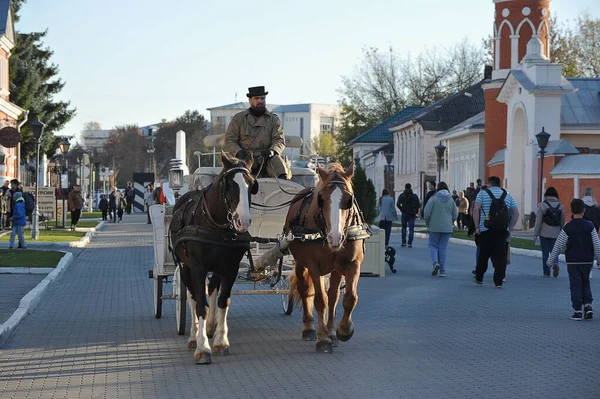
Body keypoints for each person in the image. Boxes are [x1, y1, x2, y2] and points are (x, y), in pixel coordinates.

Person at [547, 198, 600, 320]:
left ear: (571, 210)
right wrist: (599, 259)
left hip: (572, 260)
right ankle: (588, 306)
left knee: (575, 283)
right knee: (585, 281)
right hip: (587, 260)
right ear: (584, 210)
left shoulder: (568, 227)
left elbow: (559, 244)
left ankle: (577, 310)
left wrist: (550, 261)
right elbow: (597, 244)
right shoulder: (590, 225)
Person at [223, 86, 292, 179]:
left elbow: (279, 139)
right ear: (250, 100)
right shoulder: (239, 119)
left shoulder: (273, 120)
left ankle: (284, 188)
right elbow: (230, 139)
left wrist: (272, 151)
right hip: (245, 158)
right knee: (233, 176)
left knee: (279, 165)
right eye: (256, 98)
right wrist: (239, 152)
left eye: (262, 98)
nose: (260, 101)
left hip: (267, 158)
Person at [472, 176, 519, 288]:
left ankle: (479, 278)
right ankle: (498, 282)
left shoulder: (482, 194)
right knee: (500, 257)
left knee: (483, 255)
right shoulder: (507, 195)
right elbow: (516, 213)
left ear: (490, 184)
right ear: (499, 184)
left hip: (486, 230)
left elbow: (475, 210)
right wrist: (509, 228)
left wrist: (477, 227)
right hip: (502, 230)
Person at [424, 182, 458, 277]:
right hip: (447, 227)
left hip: (434, 226)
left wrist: (427, 223)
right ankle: (442, 270)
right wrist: (450, 221)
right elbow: (455, 214)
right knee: (443, 247)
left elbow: (426, 212)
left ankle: (435, 263)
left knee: (432, 245)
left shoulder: (433, 199)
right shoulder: (451, 200)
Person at [533, 187, 565, 277]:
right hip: (556, 233)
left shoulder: (542, 205)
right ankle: (555, 263)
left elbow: (538, 221)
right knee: (554, 251)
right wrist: (562, 232)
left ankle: (546, 271)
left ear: (546, 195)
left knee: (545, 253)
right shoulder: (560, 206)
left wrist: (535, 233)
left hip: (544, 233)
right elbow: (562, 221)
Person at [396, 183, 420, 248]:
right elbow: (418, 204)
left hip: (404, 213)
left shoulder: (402, 195)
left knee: (404, 228)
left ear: (405, 187)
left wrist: (401, 209)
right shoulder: (414, 196)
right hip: (412, 214)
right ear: (410, 187)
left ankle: (403, 242)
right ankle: (410, 243)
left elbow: (398, 204)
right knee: (411, 229)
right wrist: (416, 210)